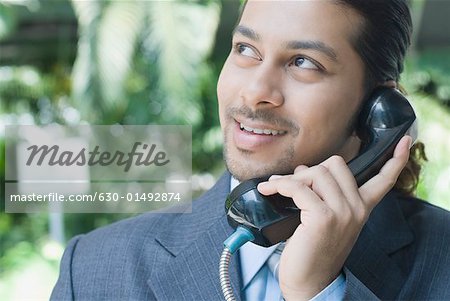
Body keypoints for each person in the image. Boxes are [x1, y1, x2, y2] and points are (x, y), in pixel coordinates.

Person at [51, 0, 450, 300]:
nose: (256, 92)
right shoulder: (93, 269)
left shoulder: (442, 260)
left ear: (376, 111)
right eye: (246, 50)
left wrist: (318, 291)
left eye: (302, 62)